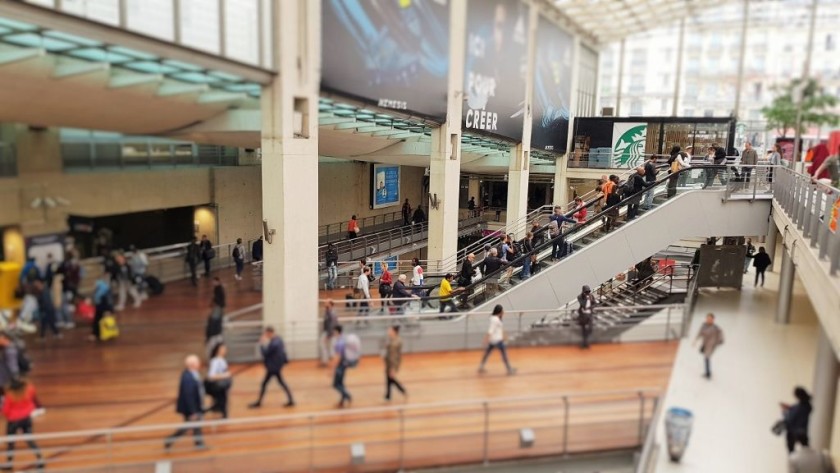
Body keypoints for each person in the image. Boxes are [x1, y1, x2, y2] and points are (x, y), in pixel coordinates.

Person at [165, 355, 206, 451]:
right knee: (188, 426)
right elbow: (189, 395)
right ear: (192, 365)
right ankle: (170, 439)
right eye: (197, 362)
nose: (199, 363)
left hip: (195, 406)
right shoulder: (187, 378)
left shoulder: (193, 373)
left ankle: (199, 444)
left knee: (196, 425)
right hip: (190, 408)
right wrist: (193, 411)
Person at [2, 379, 43, 470]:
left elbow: (6, 410)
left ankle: (9, 463)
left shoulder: (10, 396)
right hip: (26, 419)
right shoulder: (27, 392)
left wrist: (8, 415)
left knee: (10, 443)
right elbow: (32, 397)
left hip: (13, 421)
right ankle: (40, 459)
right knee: (30, 440)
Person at [248, 327, 295, 408]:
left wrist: (262, 344)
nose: (266, 336)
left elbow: (265, 353)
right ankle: (291, 400)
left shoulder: (273, 344)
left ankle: (259, 402)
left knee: (265, 384)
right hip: (276, 366)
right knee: (280, 383)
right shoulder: (279, 340)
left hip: (273, 367)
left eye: (266, 334)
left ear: (270, 333)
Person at [477, 305, 516, 375]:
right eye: (502, 310)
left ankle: (481, 367)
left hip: (493, 340)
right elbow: (491, 330)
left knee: (487, 353)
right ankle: (509, 369)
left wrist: (504, 336)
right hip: (497, 340)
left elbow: (499, 329)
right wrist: (485, 339)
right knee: (504, 354)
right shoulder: (495, 320)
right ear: (500, 311)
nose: (503, 311)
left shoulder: (495, 318)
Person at [331, 325, 361, 408]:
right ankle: (342, 401)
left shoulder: (339, 342)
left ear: (337, 332)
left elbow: (338, 356)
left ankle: (347, 396)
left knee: (336, 384)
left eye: (334, 331)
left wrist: (332, 368)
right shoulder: (344, 339)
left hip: (340, 365)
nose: (333, 333)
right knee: (341, 383)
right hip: (344, 364)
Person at [782, 387, 813, 454]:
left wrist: (785, 412)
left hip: (794, 432)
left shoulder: (798, 408)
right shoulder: (807, 406)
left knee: (791, 453)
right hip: (803, 431)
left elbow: (790, 420)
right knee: (806, 450)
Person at [205, 342, 232, 418]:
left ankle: (223, 413)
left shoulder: (222, 360)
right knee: (221, 400)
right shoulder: (215, 361)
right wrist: (225, 375)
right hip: (215, 386)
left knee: (223, 400)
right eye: (223, 349)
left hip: (221, 386)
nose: (225, 350)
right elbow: (211, 375)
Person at [694, 313, 724, 379]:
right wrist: (695, 340)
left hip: (711, 345)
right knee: (705, 356)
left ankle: (708, 373)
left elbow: (720, 334)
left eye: (710, 319)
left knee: (707, 357)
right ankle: (707, 372)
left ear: (713, 320)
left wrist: (720, 341)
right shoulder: (703, 325)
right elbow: (700, 332)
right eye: (707, 318)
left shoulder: (716, 328)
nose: (708, 320)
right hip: (705, 343)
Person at [384, 325, 407, 401]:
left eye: (390, 330)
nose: (388, 331)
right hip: (389, 362)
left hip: (392, 364)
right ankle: (388, 395)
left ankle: (402, 390)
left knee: (391, 378)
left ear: (394, 332)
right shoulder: (393, 339)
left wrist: (393, 368)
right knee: (389, 379)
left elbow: (393, 357)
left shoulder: (395, 343)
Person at [90, 273, 113, 342]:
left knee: (100, 322)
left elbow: (109, 301)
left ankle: (101, 334)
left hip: (103, 309)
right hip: (99, 308)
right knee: (98, 321)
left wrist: (108, 310)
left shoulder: (104, 290)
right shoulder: (100, 290)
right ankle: (98, 334)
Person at [320, 300, 338, 366]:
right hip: (328, 332)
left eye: (326, 303)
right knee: (329, 347)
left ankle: (326, 361)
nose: (325, 304)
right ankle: (326, 361)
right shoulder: (328, 312)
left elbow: (332, 324)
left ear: (330, 305)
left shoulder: (332, 313)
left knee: (326, 346)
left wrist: (329, 335)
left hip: (329, 332)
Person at [577, 285, 595, 349]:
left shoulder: (591, 296)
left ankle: (585, 342)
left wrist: (591, 307)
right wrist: (585, 297)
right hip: (583, 314)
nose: (587, 293)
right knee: (583, 330)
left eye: (588, 291)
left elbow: (594, 303)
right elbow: (582, 304)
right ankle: (585, 343)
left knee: (590, 329)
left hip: (589, 314)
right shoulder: (580, 297)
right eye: (586, 291)